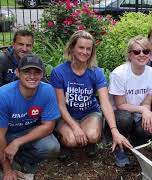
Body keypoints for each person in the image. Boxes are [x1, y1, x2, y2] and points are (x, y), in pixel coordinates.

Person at [50, 30, 132, 161]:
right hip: (67, 115)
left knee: (92, 136)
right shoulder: (59, 72)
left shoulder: (96, 72)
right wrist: (75, 127)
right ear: (72, 47)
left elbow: (105, 103)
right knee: (71, 140)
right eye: (81, 47)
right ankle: (64, 142)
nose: (85, 52)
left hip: (90, 113)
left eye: (88, 49)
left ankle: (90, 141)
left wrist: (114, 130)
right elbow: (60, 105)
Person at [0, 54, 60, 179]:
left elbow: (48, 126)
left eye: (36, 72)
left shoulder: (47, 90)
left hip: (27, 131)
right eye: (27, 71)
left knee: (52, 147)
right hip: (5, 134)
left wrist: (17, 142)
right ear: (17, 72)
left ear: (42, 74)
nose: (32, 76)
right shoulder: (4, 95)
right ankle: (8, 163)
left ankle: (20, 159)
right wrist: (7, 170)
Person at [109, 35, 152, 167]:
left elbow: (147, 102)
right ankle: (120, 148)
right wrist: (143, 110)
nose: (142, 55)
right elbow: (120, 105)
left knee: (150, 129)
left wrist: (147, 114)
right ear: (130, 55)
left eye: (146, 51)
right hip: (121, 113)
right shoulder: (119, 74)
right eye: (137, 52)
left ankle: (136, 140)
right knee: (125, 118)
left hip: (138, 112)